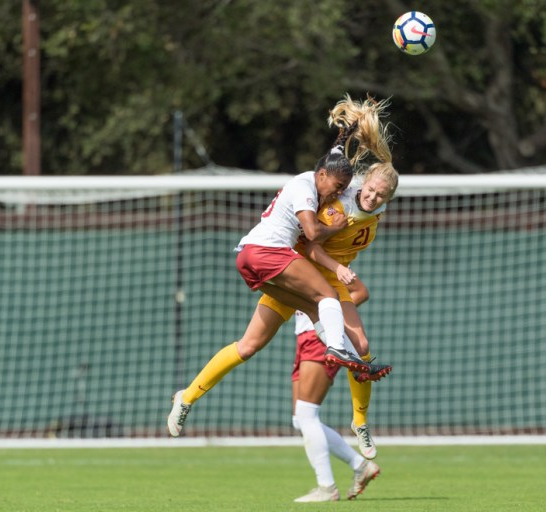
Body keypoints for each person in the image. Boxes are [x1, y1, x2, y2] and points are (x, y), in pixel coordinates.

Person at [167, 95, 389, 437]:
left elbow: (334, 162)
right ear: (322, 176)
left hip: (276, 270)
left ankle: (187, 396)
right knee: (327, 297)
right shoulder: (307, 188)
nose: (341, 191)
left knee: (249, 345)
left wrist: (348, 131)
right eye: (340, 186)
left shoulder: (333, 186)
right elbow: (314, 235)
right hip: (272, 255)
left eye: (347, 187)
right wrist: (336, 229)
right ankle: (337, 350)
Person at [287, 160, 399, 502]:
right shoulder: (347, 210)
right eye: (370, 190)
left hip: (318, 335)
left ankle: (328, 486)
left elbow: (353, 287)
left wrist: (336, 312)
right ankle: (357, 464)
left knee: (306, 415)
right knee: (300, 420)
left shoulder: (353, 220)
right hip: (308, 327)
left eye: (382, 195)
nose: (374, 197)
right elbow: (356, 288)